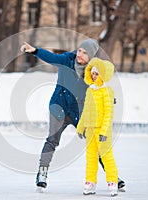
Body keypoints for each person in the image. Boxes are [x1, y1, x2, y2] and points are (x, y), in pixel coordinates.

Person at [20, 39, 125, 192]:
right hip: (59, 107)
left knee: (96, 143)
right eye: (80, 50)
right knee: (52, 140)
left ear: (91, 57)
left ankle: (113, 177)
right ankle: (42, 174)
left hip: (79, 112)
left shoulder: (92, 71)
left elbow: (100, 88)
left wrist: (110, 99)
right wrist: (35, 51)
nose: (80, 55)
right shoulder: (66, 60)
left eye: (85, 53)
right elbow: (50, 57)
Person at [76, 57, 119, 196]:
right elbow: (85, 111)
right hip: (90, 130)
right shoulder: (90, 90)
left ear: (103, 74)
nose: (94, 76)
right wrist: (80, 127)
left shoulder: (107, 91)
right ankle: (90, 182)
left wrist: (105, 131)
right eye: (92, 73)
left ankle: (112, 182)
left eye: (97, 73)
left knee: (106, 156)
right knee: (91, 157)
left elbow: (108, 113)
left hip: (102, 130)